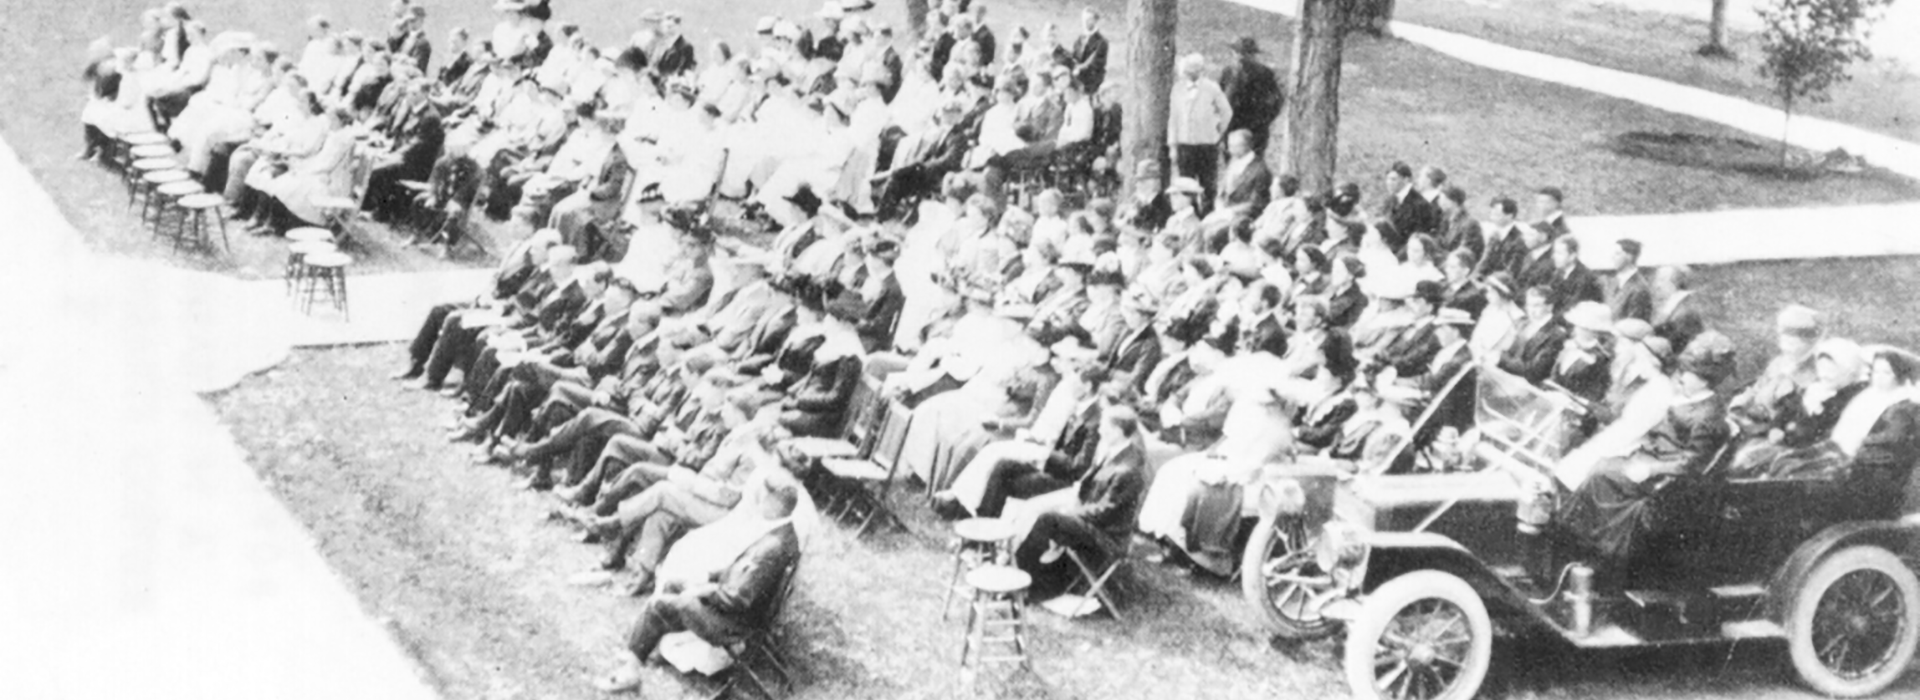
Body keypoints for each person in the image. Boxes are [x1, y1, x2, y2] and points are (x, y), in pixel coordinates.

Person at [594, 472, 802, 694]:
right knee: (675, 584)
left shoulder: (773, 547)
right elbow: (739, 576)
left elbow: (737, 598)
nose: (759, 502)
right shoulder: (781, 533)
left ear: (774, 503)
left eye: (763, 498)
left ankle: (630, 672)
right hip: (738, 612)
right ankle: (648, 647)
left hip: (735, 623)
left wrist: (703, 590)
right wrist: (707, 578)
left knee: (660, 606)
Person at [1559, 332, 1736, 574]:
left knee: (1602, 475)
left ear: (1705, 380)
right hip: (1652, 458)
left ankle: (1604, 553)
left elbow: (1691, 463)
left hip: (1665, 478)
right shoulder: (1689, 400)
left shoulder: (1707, 414)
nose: (1682, 377)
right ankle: (1584, 541)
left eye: (1689, 374)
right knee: (1601, 467)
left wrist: (1650, 468)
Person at [1013, 404, 1147, 600]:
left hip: (1108, 535)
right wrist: (1072, 501)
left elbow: (1105, 512)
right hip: (1091, 517)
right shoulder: (1115, 450)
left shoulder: (1128, 469)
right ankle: (1024, 572)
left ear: (1118, 431)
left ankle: (1024, 583)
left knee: (1048, 520)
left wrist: (1070, 513)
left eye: (1104, 426)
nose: (1100, 430)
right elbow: (1089, 482)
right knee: (1039, 508)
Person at [1168, 53, 1231, 209]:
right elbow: (1173, 118)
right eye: (1187, 70)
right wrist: (1173, 146)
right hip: (1185, 144)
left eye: (1194, 70)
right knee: (1186, 182)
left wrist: (1218, 132)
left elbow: (1226, 112)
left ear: (1201, 70)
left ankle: (1208, 212)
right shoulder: (1178, 89)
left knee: (1208, 182)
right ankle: (1191, 211)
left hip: (1207, 144)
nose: (1190, 74)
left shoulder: (1211, 88)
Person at [1218, 37, 1281, 153]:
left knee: (1251, 164)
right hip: (1233, 129)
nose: (1240, 56)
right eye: (1237, 52)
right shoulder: (1227, 72)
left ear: (1252, 55)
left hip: (1254, 130)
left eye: (1244, 53)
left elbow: (1275, 102)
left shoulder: (1265, 74)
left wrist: (1262, 122)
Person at [1377, 161, 1439, 253]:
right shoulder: (1389, 200)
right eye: (1388, 179)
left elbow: (1419, 235)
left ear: (1406, 180)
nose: (1388, 183)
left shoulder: (1419, 204)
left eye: (1393, 179)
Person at [1547, 236, 1604, 315]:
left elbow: (1572, 309)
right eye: (1554, 252)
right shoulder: (1558, 274)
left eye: (1559, 253)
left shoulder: (1586, 278)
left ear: (1572, 256)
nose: (1553, 257)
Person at [1607, 238, 1654, 323]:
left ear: (1629, 257)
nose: (1612, 257)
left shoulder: (1639, 288)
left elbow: (1634, 325)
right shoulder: (1614, 282)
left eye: (1617, 254)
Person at [1069, 7, 1108, 93]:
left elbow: (1095, 63)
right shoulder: (1079, 39)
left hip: (1092, 82)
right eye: (1084, 19)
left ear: (1095, 20)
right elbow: (1074, 56)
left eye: (1089, 19)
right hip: (1078, 79)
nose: (1085, 22)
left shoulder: (1101, 42)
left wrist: (1079, 68)